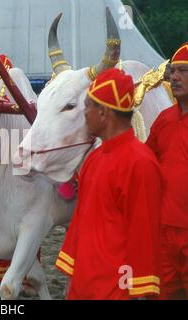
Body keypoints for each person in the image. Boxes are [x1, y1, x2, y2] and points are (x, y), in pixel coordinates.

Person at [55, 68, 163, 300]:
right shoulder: (93, 158)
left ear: (104, 113)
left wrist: (140, 293)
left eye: (88, 105)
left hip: (116, 291)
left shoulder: (140, 162)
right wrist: (71, 276)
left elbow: (144, 236)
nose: (84, 113)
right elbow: (80, 221)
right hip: (84, 284)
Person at [146, 41, 188, 300]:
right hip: (163, 231)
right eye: (173, 71)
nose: (175, 77)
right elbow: (144, 165)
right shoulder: (164, 119)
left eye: (184, 71)